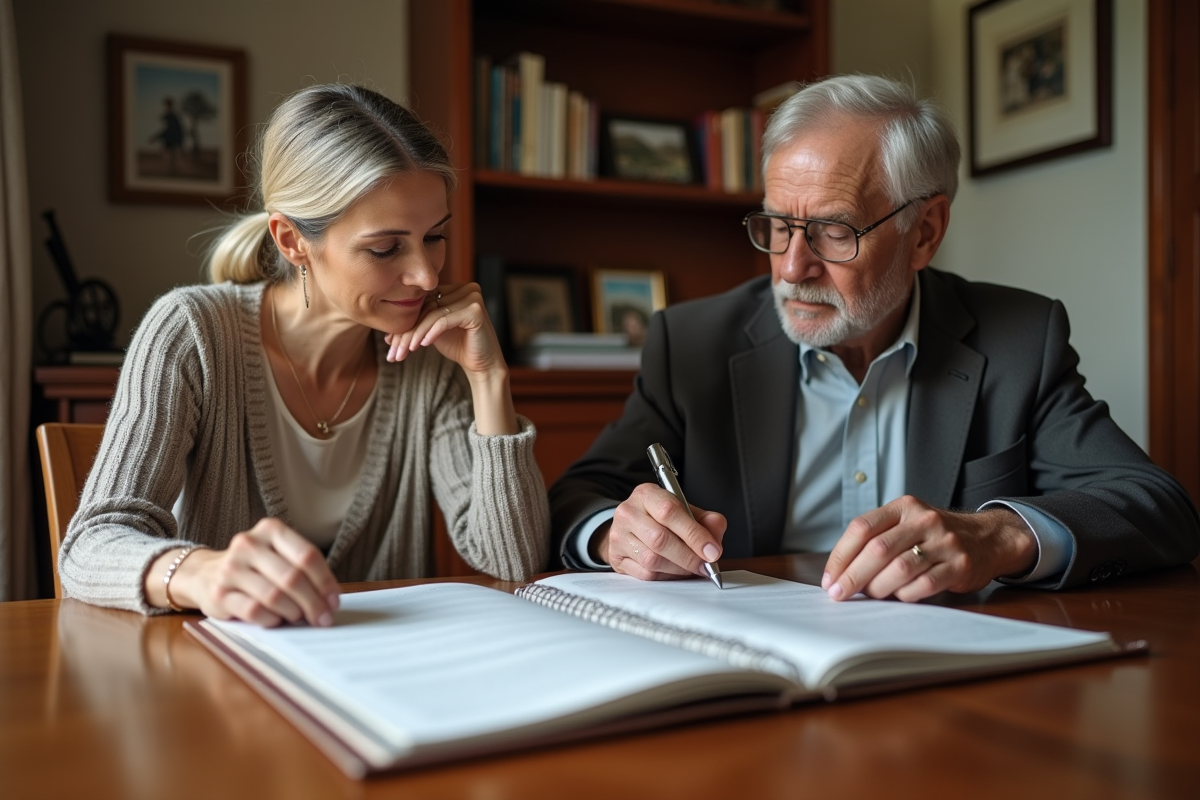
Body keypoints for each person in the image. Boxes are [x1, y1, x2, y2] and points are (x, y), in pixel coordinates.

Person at [549, 74, 1199, 601]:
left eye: (834, 230)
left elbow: (1157, 507)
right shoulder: (691, 342)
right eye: (777, 225)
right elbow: (577, 498)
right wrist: (615, 533)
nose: (791, 266)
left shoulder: (1019, 340)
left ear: (924, 232)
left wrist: (999, 537)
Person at [60, 84, 550, 625]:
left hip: (381, 682)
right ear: (292, 241)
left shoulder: (430, 358)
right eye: (385, 248)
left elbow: (515, 559)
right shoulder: (193, 334)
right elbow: (90, 545)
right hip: (217, 675)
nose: (426, 275)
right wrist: (201, 572)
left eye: (434, 237)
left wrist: (488, 378)